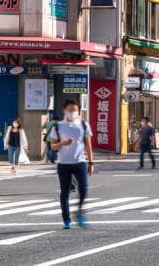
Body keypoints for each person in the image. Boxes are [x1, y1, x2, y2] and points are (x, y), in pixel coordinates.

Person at [49, 99, 95, 230]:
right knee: (65, 192)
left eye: (75, 110)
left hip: (79, 161)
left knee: (84, 188)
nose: (73, 112)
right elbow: (52, 146)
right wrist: (62, 144)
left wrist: (91, 162)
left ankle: (79, 212)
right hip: (63, 164)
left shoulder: (83, 125)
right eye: (70, 110)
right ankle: (66, 219)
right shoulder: (58, 126)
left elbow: (88, 144)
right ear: (64, 111)